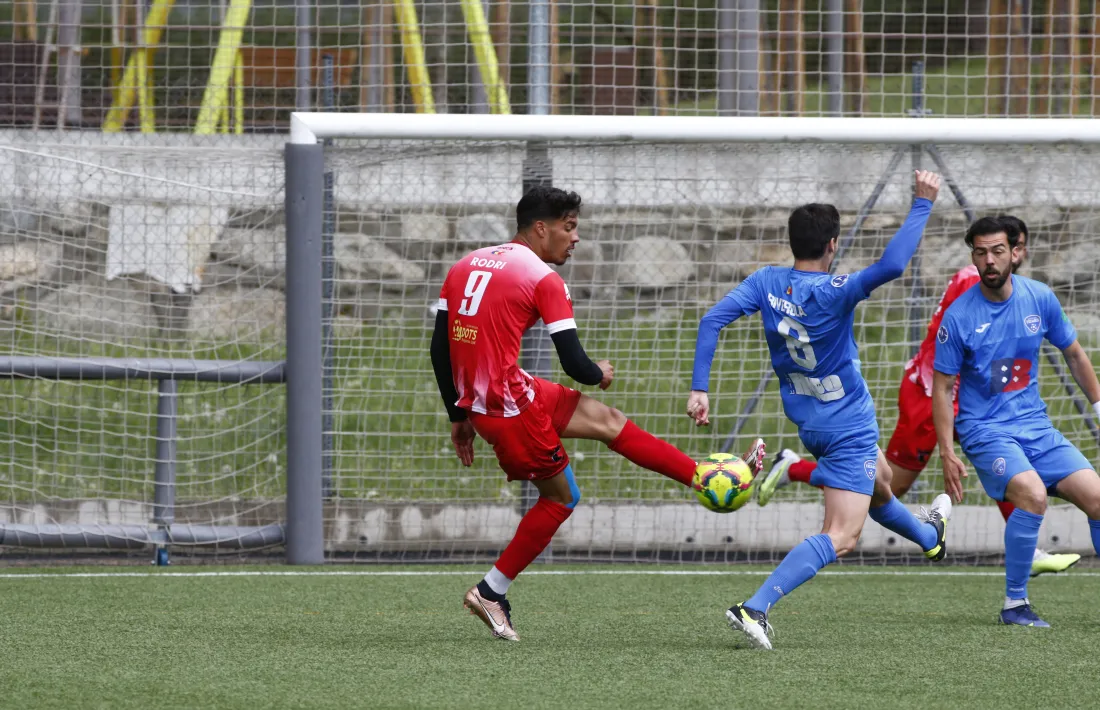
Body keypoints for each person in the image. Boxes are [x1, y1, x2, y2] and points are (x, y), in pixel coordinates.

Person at [431, 185, 765, 642]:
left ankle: (703, 477)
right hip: (510, 408)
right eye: (569, 228)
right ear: (541, 228)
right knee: (561, 497)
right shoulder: (542, 279)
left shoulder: (467, 263)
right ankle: (492, 590)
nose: (576, 238)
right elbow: (574, 363)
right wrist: (599, 371)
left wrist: (458, 413)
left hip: (501, 394)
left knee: (609, 422)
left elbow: (438, 348)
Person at [687, 170, 951, 650]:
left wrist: (700, 389)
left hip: (810, 423)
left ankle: (929, 537)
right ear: (832, 245)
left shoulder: (767, 281)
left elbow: (711, 321)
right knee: (842, 535)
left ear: (793, 243)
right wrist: (922, 203)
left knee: (880, 484)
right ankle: (755, 607)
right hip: (848, 424)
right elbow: (893, 265)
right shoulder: (835, 289)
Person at [757, 216, 1081, 576]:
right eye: (1007, 247)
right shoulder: (977, 283)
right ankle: (795, 468)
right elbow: (976, 343)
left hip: (970, 396)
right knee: (886, 486)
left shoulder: (1014, 287)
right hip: (931, 392)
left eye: (1012, 249)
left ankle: (1026, 548)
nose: (1012, 255)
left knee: (1002, 460)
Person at [933, 216, 1100, 627]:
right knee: (1031, 495)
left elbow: (1075, 354)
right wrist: (947, 452)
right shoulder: (958, 316)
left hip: (1036, 428)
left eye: (997, 251)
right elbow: (941, 388)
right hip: (985, 431)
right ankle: (1015, 604)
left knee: (1098, 498)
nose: (989, 261)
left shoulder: (1039, 298)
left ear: (1017, 252)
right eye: (980, 252)